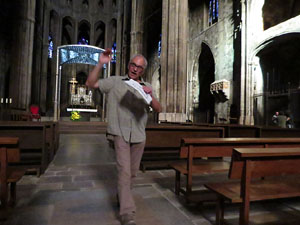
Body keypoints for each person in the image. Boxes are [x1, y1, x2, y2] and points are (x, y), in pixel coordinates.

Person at [85, 49, 162, 225]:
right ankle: (127, 213)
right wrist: (100, 64)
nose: (135, 69)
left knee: (132, 174)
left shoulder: (146, 86)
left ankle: (123, 196)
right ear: (128, 65)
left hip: (139, 135)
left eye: (140, 68)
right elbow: (90, 83)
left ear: (143, 71)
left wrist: (149, 94)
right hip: (119, 132)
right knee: (124, 171)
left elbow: (158, 108)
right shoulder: (115, 82)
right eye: (133, 65)